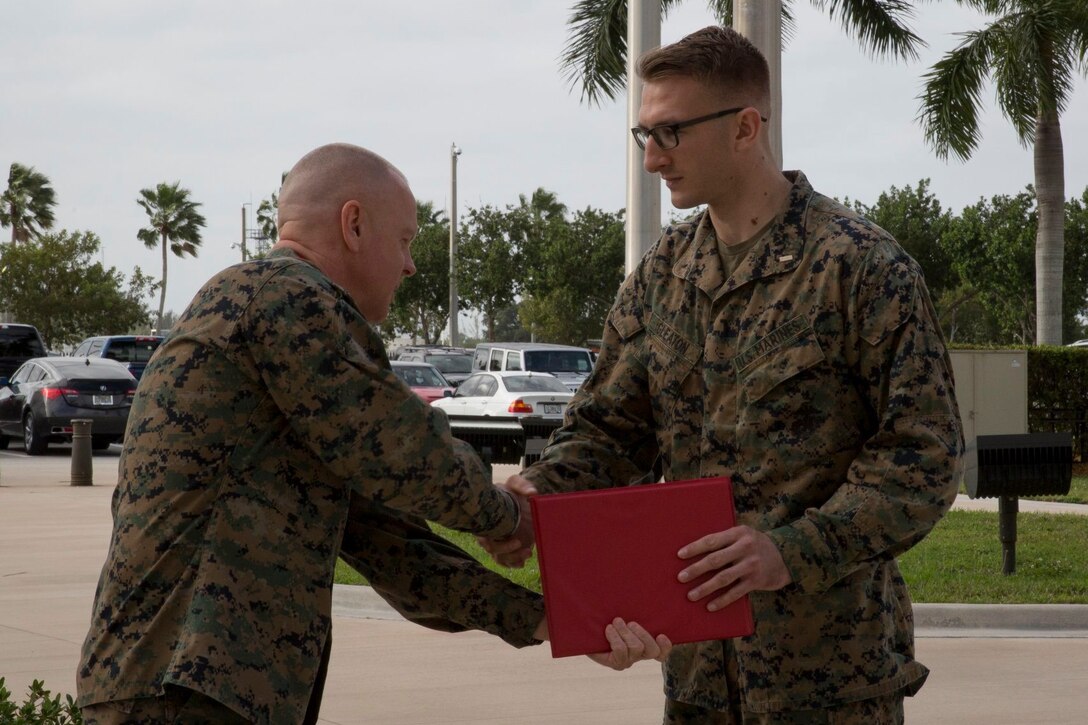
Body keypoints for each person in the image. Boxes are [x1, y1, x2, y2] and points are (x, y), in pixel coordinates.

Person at [77, 143, 666, 725]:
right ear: (353, 224)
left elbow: (391, 545)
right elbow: (402, 448)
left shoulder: (267, 327)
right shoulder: (282, 299)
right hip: (180, 686)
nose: (410, 265)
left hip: (190, 686)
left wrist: (554, 619)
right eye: (406, 240)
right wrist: (508, 518)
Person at [491, 26, 964, 725]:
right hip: (698, 677)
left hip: (832, 683)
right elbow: (607, 431)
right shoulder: (660, 276)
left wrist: (789, 550)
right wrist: (537, 500)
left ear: (746, 128)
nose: (652, 158)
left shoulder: (859, 267)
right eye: (642, 134)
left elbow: (924, 459)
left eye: (672, 132)